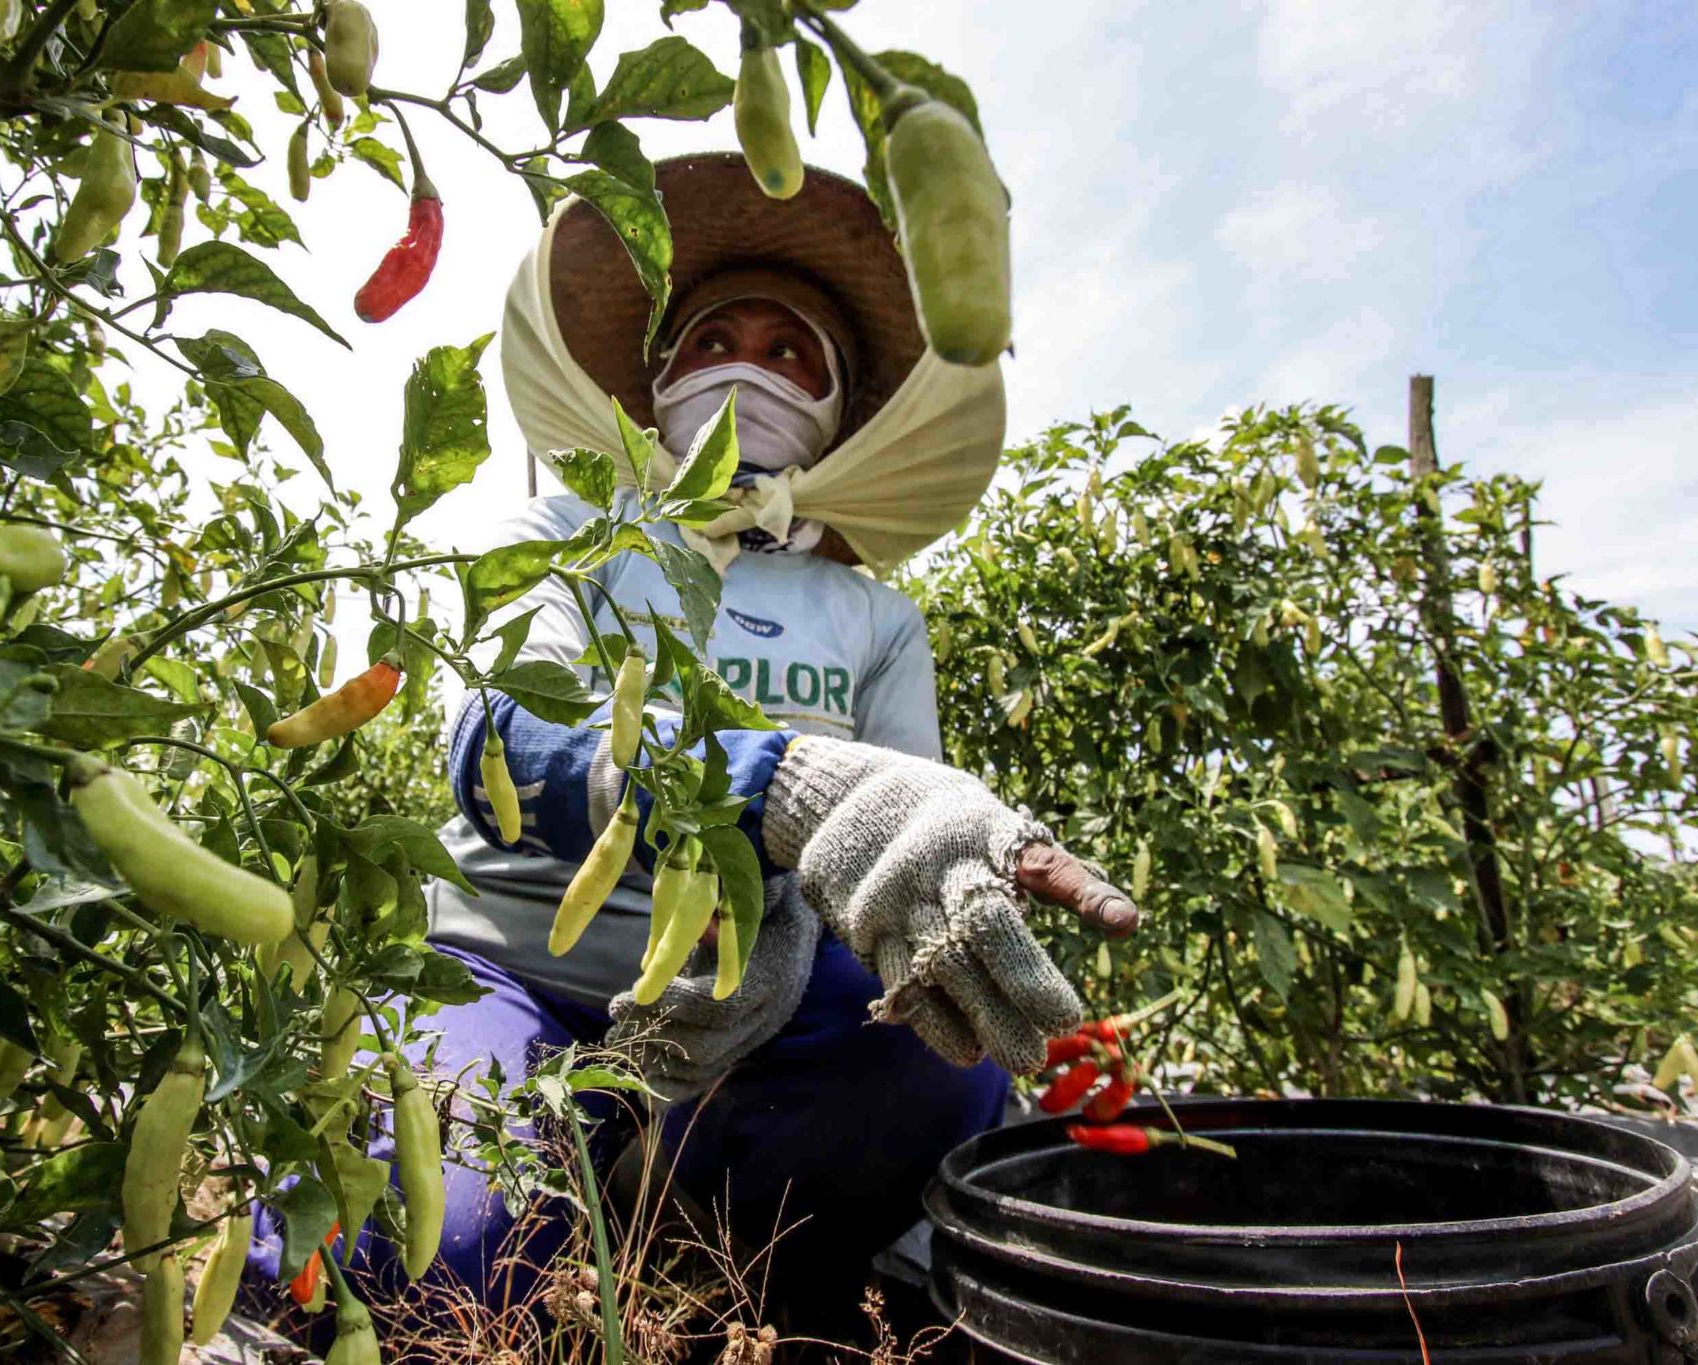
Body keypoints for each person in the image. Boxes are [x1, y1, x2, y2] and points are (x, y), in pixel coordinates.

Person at [255, 153, 1140, 1331]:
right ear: (659, 374)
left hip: (761, 1008)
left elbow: (905, 831)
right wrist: (775, 786)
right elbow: (497, 734)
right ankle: (551, 1192)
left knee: (934, 1052)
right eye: (716, 338)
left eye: (790, 355)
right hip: (518, 966)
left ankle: (717, 1253)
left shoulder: (873, 617)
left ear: (828, 411)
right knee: (421, 1262)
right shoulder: (569, 531)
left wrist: (891, 884)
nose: (748, 367)